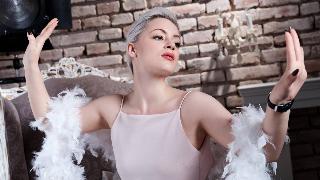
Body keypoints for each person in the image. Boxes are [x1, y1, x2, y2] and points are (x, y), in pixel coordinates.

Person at [23, 7, 306, 180]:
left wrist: (279, 104)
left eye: (177, 42)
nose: (171, 44)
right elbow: (50, 121)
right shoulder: (111, 109)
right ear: (132, 49)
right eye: (159, 36)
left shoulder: (194, 106)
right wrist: (30, 64)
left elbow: (266, 151)